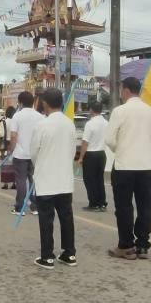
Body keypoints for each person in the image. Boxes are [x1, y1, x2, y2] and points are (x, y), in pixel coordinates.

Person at [105, 77, 151, 260]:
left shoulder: (120, 111)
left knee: (124, 207)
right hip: (145, 166)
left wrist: (120, 148)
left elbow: (109, 139)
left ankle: (126, 245)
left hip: (124, 165)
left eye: (121, 90)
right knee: (144, 206)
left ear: (125, 90)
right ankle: (142, 245)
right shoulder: (150, 111)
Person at [31, 88, 77, 269]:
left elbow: (34, 152)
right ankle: (69, 253)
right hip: (64, 178)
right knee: (66, 218)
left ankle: (47, 256)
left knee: (46, 219)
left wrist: (40, 165)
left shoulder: (42, 125)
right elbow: (72, 150)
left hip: (46, 178)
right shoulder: (70, 124)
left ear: (45, 103)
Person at [6, 91, 44, 215]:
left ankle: (19, 207)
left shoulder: (17, 116)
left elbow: (13, 136)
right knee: (34, 181)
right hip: (35, 155)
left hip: (20, 154)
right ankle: (35, 206)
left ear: (20, 103)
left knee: (21, 181)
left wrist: (11, 150)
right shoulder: (40, 117)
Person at [77, 101, 109, 212]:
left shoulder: (90, 124)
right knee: (99, 179)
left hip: (91, 154)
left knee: (90, 180)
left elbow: (85, 142)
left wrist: (81, 157)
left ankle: (94, 203)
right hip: (102, 153)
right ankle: (102, 202)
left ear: (91, 110)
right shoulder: (106, 123)